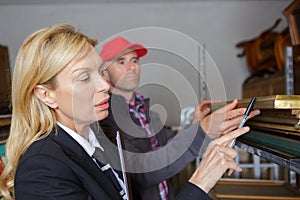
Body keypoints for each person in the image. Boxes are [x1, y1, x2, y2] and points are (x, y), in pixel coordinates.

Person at [0, 23, 251, 200]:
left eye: (99, 72)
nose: (105, 85)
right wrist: (201, 180)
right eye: (84, 78)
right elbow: (146, 169)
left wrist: (197, 128)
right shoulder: (43, 171)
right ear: (46, 94)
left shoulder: (100, 136)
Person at [98, 36, 260, 200]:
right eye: (121, 62)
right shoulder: (107, 119)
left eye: (134, 60)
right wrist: (201, 130)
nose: (131, 67)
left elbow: (169, 149)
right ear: (104, 72)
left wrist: (194, 123)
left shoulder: (149, 113)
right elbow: (142, 173)